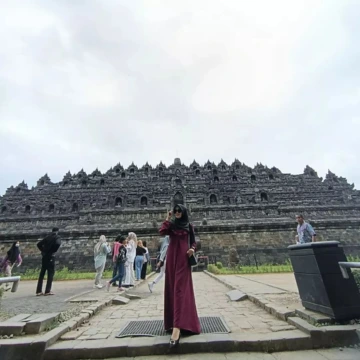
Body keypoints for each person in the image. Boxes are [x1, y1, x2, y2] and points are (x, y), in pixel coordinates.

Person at [159, 204, 200, 348]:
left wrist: (192, 249)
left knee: (180, 290)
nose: (177, 213)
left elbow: (194, 242)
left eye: (179, 211)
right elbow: (162, 231)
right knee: (172, 288)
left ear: (183, 212)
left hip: (183, 258)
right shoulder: (171, 225)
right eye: (175, 211)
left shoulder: (189, 226)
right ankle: (173, 323)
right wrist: (167, 217)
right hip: (171, 258)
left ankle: (177, 328)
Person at [36, 227, 61, 296]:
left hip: (44, 257)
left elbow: (38, 244)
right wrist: (53, 251)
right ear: (57, 231)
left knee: (42, 273)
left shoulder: (47, 237)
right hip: (50, 257)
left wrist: (43, 251)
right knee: (50, 273)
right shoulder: (56, 237)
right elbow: (58, 244)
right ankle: (47, 290)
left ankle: (38, 291)